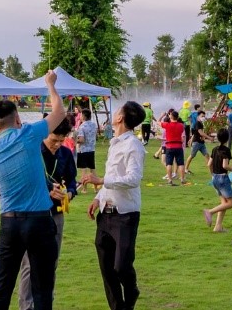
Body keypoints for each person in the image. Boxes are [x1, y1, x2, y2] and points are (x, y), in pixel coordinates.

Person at [0, 69, 66, 310]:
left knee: (2, 286)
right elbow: (59, 113)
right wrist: (50, 84)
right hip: (39, 221)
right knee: (42, 288)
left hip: (10, 223)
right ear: (17, 119)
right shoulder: (28, 134)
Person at [85, 100, 145, 310]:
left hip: (125, 213)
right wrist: (98, 197)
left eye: (117, 110)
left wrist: (101, 180)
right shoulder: (115, 142)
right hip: (106, 211)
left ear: (120, 117)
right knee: (107, 267)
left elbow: (133, 179)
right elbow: (113, 175)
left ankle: (132, 290)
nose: (114, 113)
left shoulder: (133, 145)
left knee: (121, 266)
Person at [17, 116, 76, 310]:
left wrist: (68, 194)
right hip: (33, 214)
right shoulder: (32, 152)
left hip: (56, 214)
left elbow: (72, 181)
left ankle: (45, 304)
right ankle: (26, 306)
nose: (57, 145)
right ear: (44, 134)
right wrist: (48, 190)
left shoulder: (65, 154)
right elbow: (25, 182)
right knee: (29, 264)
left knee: (51, 262)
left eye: (61, 140)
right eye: (54, 140)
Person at [202, 129, 232, 232]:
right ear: (227, 138)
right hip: (222, 179)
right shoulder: (226, 150)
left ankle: (218, 227)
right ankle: (210, 212)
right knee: (231, 203)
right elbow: (225, 166)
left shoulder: (214, 149)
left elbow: (209, 164)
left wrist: (212, 175)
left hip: (215, 178)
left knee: (224, 203)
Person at [159, 111, 186, 186]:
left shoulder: (167, 125)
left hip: (169, 146)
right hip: (179, 146)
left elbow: (158, 122)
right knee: (181, 163)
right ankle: (182, 179)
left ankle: (170, 179)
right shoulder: (181, 125)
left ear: (171, 116)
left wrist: (162, 115)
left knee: (169, 163)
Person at [75, 108, 100, 185]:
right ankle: (96, 186)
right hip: (91, 149)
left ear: (83, 116)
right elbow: (96, 136)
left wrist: (75, 140)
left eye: (81, 115)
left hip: (83, 150)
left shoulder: (82, 126)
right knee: (92, 169)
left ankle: (84, 188)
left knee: (84, 171)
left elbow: (81, 140)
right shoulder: (94, 125)